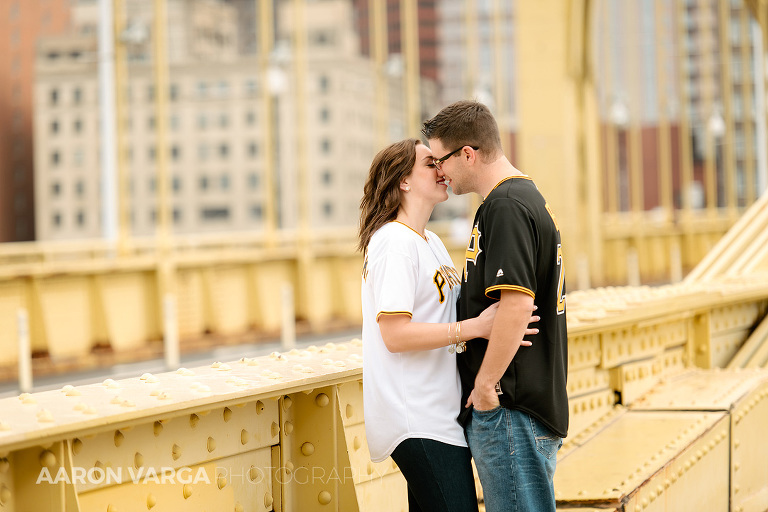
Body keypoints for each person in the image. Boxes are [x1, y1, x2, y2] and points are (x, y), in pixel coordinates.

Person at [358, 139, 538, 512]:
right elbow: (394, 335)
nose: (442, 169)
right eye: (429, 164)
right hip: (416, 416)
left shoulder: (432, 242)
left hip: (442, 413)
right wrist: (476, 327)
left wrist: (507, 320)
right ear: (403, 181)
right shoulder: (393, 242)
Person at [422, 101, 569, 512]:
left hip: (509, 407)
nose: (440, 172)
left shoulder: (505, 205)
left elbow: (517, 306)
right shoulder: (525, 196)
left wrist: (486, 387)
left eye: (441, 160)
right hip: (519, 407)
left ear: (467, 153)